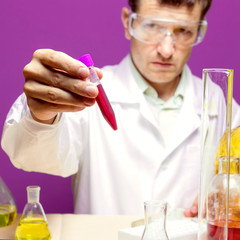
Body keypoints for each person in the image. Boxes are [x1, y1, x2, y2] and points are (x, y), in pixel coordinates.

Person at [2, 0, 240, 216]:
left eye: (184, 31)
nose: (166, 50)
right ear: (128, 23)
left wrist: (228, 196)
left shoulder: (218, 101)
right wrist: (41, 115)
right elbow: (31, 157)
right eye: (152, 26)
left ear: (199, 30)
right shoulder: (87, 95)